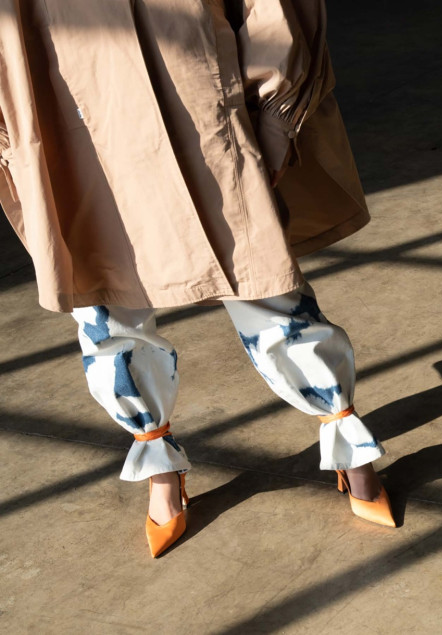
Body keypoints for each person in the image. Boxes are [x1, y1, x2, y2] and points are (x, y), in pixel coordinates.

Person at [0, 0, 395, 557]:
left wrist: (274, 107)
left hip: (194, 88)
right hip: (69, 103)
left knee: (265, 283)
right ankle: (159, 462)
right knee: (107, 295)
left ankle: (347, 437)